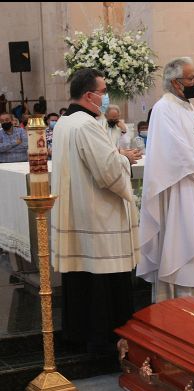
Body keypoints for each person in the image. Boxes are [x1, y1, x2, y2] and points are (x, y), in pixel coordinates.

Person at [50, 68, 141, 354]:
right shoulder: (87, 125)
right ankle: (104, 339)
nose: (106, 97)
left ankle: (78, 333)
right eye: (103, 92)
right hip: (98, 217)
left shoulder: (65, 122)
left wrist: (116, 155)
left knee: (82, 278)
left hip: (78, 211)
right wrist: (125, 160)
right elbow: (108, 171)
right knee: (102, 279)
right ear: (89, 95)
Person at [137, 57, 194, 302]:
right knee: (180, 241)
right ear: (175, 82)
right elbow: (175, 148)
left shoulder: (189, 107)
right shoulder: (163, 108)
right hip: (179, 187)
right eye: (191, 78)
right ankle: (178, 302)